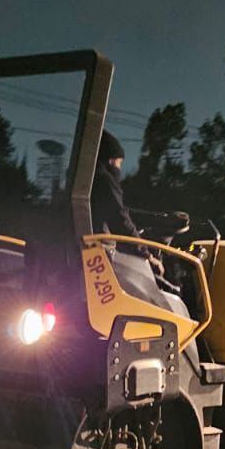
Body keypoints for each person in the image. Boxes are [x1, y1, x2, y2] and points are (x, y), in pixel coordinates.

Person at [90, 130, 188, 319]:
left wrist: (159, 218)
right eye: (119, 163)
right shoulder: (104, 180)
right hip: (103, 254)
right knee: (166, 291)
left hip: (98, 252)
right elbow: (120, 220)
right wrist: (147, 254)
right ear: (111, 160)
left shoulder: (93, 181)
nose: (119, 168)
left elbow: (123, 212)